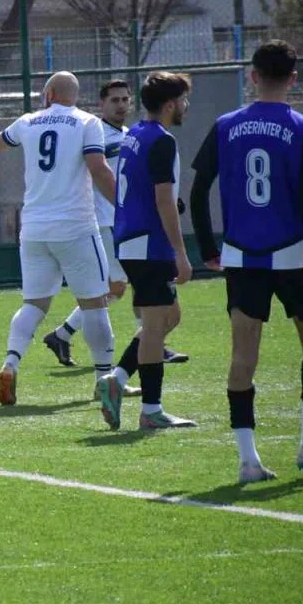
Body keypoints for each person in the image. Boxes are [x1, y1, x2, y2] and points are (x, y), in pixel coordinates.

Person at [189, 40, 303, 482]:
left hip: (242, 255)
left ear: (253, 76)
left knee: (243, 356)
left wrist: (208, 249)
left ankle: (248, 460)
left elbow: (198, 191)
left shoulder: (225, 126)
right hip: (296, 252)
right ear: (293, 79)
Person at [0, 72, 117, 406]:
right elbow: (98, 168)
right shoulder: (87, 122)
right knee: (95, 303)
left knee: (34, 304)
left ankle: (10, 363)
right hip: (76, 227)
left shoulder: (28, 121)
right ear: (73, 96)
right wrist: (126, 205)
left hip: (34, 228)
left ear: (48, 94)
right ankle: (104, 378)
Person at [42, 80, 186, 388]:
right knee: (119, 288)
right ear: (101, 104)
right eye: (114, 100)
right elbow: (93, 173)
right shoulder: (96, 133)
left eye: (125, 99)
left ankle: (135, 345)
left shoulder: (131, 134)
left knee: (125, 288)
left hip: (126, 224)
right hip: (108, 222)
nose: (121, 105)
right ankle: (143, 345)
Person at [95, 72, 197, 431]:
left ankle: (118, 378)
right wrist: (181, 253)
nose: (186, 106)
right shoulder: (161, 140)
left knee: (169, 318)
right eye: (183, 100)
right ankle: (151, 411)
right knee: (155, 328)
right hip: (149, 244)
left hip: (131, 239)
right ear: (170, 105)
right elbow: (163, 201)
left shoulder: (135, 133)